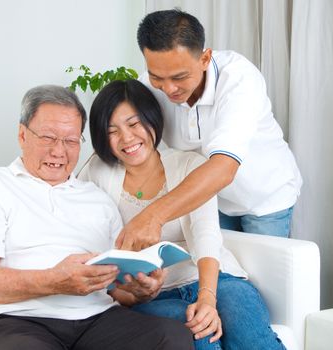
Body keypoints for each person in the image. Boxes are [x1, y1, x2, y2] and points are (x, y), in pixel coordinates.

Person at [0, 85, 194, 350]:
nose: (59, 151)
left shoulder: (98, 199)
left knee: (171, 337)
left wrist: (138, 291)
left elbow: (114, 289)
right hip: (13, 321)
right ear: (22, 135)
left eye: (70, 141)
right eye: (48, 138)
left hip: (96, 320)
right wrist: (54, 280)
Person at [78, 79, 285, 350]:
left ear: (152, 118)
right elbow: (79, 225)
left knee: (250, 336)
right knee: (200, 335)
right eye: (112, 130)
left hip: (216, 279)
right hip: (154, 295)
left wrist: (207, 298)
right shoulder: (97, 172)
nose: (126, 138)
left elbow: (206, 234)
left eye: (133, 123)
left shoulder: (189, 165)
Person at [116, 9, 303, 250]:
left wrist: (153, 216)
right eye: (157, 77)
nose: (168, 88)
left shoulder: (238, 79)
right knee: (227, 276)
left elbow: (224, 168)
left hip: (264, 199)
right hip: (211, 199)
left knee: (264, 280)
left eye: (179, 76)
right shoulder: (147, 85)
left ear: (204, 59)